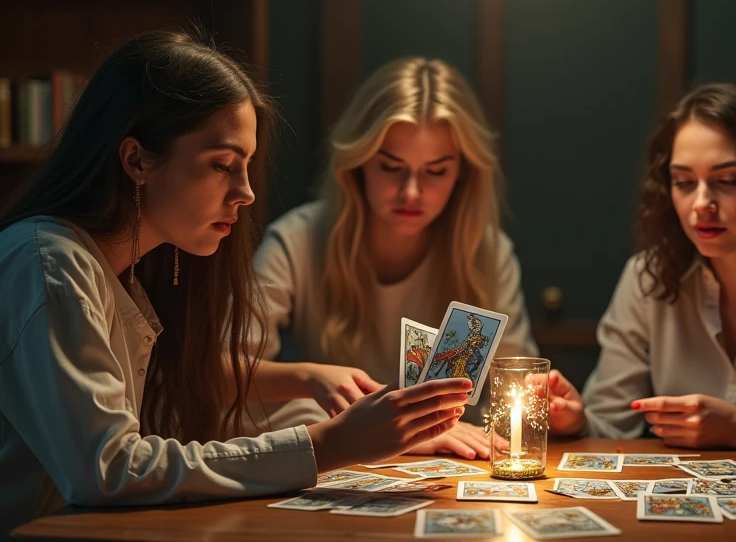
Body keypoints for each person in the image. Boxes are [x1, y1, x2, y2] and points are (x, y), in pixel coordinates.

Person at [0, 30, 469, 537]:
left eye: (246, 166)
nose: (245, 193)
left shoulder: (123, 272)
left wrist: (314, 385)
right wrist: (330, 444)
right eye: (222, 165)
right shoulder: (48, 263)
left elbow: (177, 386)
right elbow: (110, 470)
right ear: (136, 160)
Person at [241, 56, 538, 460]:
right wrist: (387, 432)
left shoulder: (487, 250)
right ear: (358, 162)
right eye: (391, 166)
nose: (411, 191)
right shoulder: (296, 241)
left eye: (435, 171)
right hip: (335, 460)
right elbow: (226, 374)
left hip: (451, 466)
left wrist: (553, 409)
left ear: (463, 174)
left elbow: (511, 394)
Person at [545, 82, 736, 452]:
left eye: (728, 181)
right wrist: (576, 420)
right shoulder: (648, 277)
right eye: (684, 182)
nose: (702, 203)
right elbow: (609, 426)